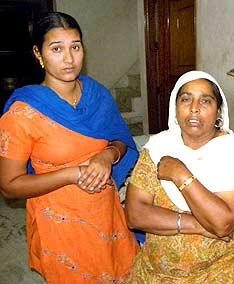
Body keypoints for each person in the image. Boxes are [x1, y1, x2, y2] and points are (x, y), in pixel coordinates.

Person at [0, 12, 139, 283]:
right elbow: (9, 185)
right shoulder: (22, 113)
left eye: (75, 46)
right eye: (56, 49)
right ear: (38, 53)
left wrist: (107, 155)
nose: (69, 58)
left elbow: (121, 138)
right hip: (62, 224)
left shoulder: (97, 94)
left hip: (106, 213)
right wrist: (72, 174)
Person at [124, 71, 234, 283]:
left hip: (217, 273)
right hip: (153, 274)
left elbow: (222, 223)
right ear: (175, 110)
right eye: (186, 99)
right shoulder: (159, 148)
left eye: (205, 100)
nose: (194, 108)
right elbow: (134, 214)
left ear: (218, 112)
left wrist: (180, 174)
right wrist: (198, 225)